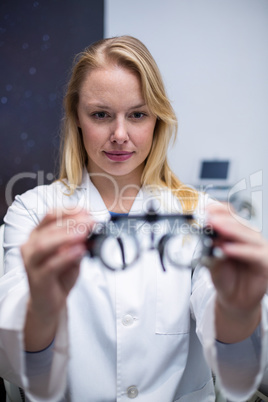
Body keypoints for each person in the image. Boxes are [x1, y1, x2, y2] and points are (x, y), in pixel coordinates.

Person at [0, 35, 268, 402]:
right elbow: (18, 364)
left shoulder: (199, 213)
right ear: (77, 117)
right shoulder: (33, 212)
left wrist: (239, 308)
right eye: (101, 115)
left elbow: (235, 358)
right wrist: (41, 309)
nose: (120, 135)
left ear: (157, 119)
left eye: (137, 114)